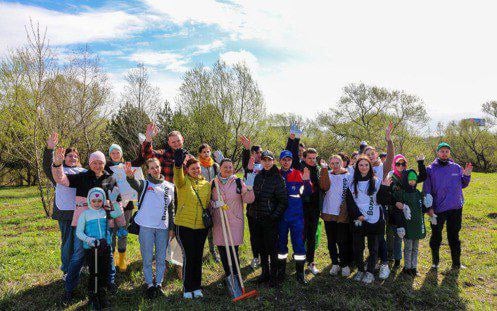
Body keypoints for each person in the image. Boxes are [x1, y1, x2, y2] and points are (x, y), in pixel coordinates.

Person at [52, 148, 122, 300]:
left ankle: (108, 282)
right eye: (94, 163)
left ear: (104, 163)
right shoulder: (81, 176)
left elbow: (117, 200)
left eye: (100, 163)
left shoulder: (110, 179)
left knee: (107, 253)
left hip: (103, 224)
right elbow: (61, 179)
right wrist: (57, 164)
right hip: (83, 223)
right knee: (78, 254)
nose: (97, 166)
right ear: (90, 163)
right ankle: (70, 287)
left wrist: (118, 216)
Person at [125, 159, 175, 299]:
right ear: (147, 170)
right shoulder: (144, 184)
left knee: (161, 258)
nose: (155, 170)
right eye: (152, 168)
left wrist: (171, 228)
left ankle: (158, 284)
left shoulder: (169, 186)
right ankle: (149, 285)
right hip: (146, 228)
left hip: (163, 229)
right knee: (147, 258)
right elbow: (134, 183)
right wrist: (130, 176)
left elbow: (171, 210)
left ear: (161, 168)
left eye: (157, 167)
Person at [43, 133, 86, 284]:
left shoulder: (83, 172)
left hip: (82, 214)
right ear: (64, 157)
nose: (72, 158)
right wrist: (50, 149)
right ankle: (67, 270)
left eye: (75, 156)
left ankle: (81, 266)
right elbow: (48, 166)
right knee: (68, 244)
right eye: (69, 156)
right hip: (66, 214)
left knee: (81, 242)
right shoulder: (57, 171)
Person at [423, 142, 472, 270]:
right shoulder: (430, 169)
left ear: (449, 153)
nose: (444, 153)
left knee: (454, 235)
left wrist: (466, 174)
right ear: (437, 153)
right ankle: (435, 262)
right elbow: (427, 189)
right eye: (442, 151)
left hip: (456, 207)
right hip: (438, 209)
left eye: (446, 151)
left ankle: (456, 263)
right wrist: (429, 208)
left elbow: (463, 184)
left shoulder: (456, 167)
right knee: (436, 236)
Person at [346, 156, 392, 284]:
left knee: (373, 247)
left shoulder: (376, 182)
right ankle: (360, 270)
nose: (364, 167)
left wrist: (385, 188)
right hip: (358, 219)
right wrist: (358, 215)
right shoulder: (351, 184)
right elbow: (349, 202)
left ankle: (370, 272)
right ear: (357, 167)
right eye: (361, 165)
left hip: (374, 219)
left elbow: (383, 201)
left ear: (370, 167)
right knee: (358, 247)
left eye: (366, 165)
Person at [75, 187, 122, 310]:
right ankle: (93, 294)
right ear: (89, 200)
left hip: (104, 247)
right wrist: (89, 240)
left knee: (104, 270)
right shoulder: (85, 214)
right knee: (94, 272)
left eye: (100, 201)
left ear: (103, 200)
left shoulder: (105, 212)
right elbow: (79, 232)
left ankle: (102, 293)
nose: (96, 204)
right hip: (91, 249)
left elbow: (117, 213)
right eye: (94, 201)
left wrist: (114, 201)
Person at [173, 152, 211, 299]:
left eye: (198, 168)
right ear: (187, 170)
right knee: (189, 256)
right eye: (192, 168)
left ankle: (197, 287)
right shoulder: (183, 182)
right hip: (184, 225)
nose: (196, 170)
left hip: (201, 227)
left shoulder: (206, 184)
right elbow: (177, 177)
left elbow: (207, 204)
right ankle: (187, 288)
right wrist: (177, 165)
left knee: (198, 256)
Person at [210, 158, 254, 285]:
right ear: (220, 168)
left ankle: (236, 275)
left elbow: (248, 200)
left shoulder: (238, 182)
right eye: (225, 167)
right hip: (219, 222)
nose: (228, 169)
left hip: (235, 221)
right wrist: (214, 203)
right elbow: (207, 202)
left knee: (233, 250)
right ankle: (228, 276)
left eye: (230, 167)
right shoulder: (213, 183)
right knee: (223, 250)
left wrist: (250, 188)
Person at [286, 130, 323, 275]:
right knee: (301, 234)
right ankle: (299, 256)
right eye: (310, 158)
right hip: (300, 207)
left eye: (315, 158)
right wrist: (294, 139)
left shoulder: (319, 170)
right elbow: (292, 154)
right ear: (304, 157)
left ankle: (311, 262)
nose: (312, 161)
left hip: (314, 208)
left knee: (312, 235)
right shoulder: (299, 166)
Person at [249, 150, 288, 287]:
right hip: (257, 218)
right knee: (261, 248)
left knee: (272, 249)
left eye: (269, 160)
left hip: (270, 220)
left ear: (273, 161)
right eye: (264, 160)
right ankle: (264, 273)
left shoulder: (278, 178)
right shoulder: (258, 177)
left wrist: (273, 216)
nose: (266, 163)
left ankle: (273, 276)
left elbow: (283, 201)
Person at [106, 143, 145, 272]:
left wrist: (145, 143)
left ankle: (122, 259)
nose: (115, 155)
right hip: (110, 206)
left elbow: (141, 159)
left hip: (127, 205)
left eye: (117, 152)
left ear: (121, 153)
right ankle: (110, 259)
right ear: (109, 154)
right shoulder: (106, 167)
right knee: (111, 233)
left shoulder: (128, 165)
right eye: (113, 153)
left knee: (123, 232)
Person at [362, 123, 395, 279]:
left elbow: (390, 157)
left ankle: (384, 264)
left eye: (373, 152)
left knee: (380, 238)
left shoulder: (383, 168)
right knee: (371, 238)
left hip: (380, 207)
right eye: (368, 153)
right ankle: (373, 261)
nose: (372, 154)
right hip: (366, 208)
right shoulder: (363, 169)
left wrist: (389, 140)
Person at [277, 150, 311, 284]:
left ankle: (300, 273)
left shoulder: (298, 174)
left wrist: (307, 181)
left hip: (296, 216)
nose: (286, 162)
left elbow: (308, 192)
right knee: (281, 245)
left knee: (298, 244)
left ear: (292, 161)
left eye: (289, 160)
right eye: (284, 159)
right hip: (281, 217)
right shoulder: (276, 174)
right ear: (280, 161)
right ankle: (281, 272)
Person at [387, 154, 427, 268]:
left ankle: (408, 264)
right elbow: (388, 194)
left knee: (407, 237)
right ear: (394, 164)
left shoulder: (410, 175)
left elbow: (423, 177)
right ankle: (397, 259)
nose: (400, 166)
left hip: (410, 210)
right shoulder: (392, 177)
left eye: (403, 163)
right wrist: (395, 202)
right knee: (397, 235)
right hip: (396, 209)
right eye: (398, 164)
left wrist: (420, 163)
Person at [391, 170, 430, 277]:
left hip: (417, 225)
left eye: (414, 180)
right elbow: (397, 209)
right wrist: (400, 225)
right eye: (410, 180)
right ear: (405, 181)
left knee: (415, 247)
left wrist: (427, 205)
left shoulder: (418, 193)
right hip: (407, 224)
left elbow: (422, 208)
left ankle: (414, 267)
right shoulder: (402, 193)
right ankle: (407, 267)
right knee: (408, 247)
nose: (412, 182)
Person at [320, 155, 353, 277]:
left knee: (342, 240)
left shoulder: (348, 176)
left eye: (337, 162)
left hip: (342, 213)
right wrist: (323, 170)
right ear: (329, 164)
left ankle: (344, 264)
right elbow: (324, 187)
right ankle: (335, 263)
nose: (335, 165)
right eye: (332, 163)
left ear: (342, 163)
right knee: (331, 240)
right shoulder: (326, 173)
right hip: (329, 211)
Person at [240, 135, 263, 269]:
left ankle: (264, 256)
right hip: (252, 205)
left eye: (261, 152)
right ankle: (255, 257)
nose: (260, 154)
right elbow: (246, 164)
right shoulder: (248, 166)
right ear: (253, 154)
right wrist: (247, 149)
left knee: (264, 233)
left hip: (264, 205)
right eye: (258, 152)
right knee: (254, 234)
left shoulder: (266, 165)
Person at [198, 143, 221, 263]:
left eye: (208, 151)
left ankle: (213, 251)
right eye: (204, 152)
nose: (206, 154)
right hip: (201, 200)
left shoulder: (215, 166)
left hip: (214, 199)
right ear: (200, 154)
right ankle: (199, 252)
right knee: (203, 226)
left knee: (213, 227)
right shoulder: (198, 166)